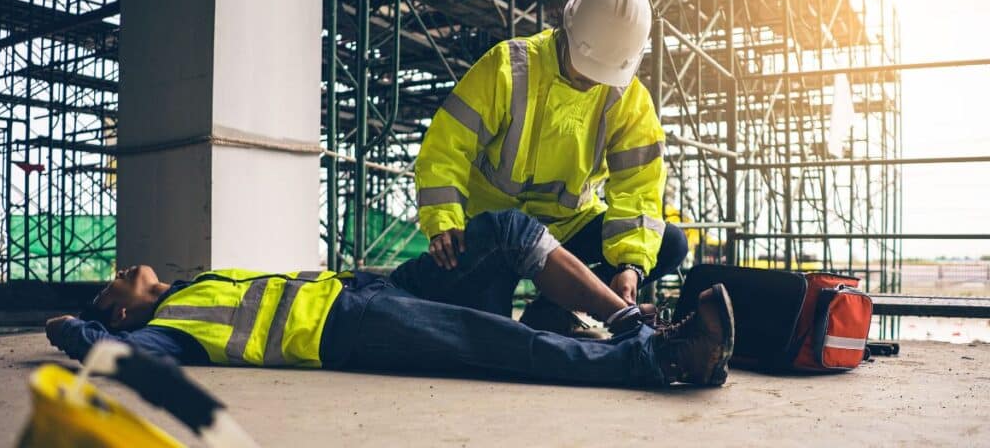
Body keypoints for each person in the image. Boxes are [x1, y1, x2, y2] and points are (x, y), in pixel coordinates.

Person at [46, 210, 734, 388]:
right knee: (494, 344)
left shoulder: (193, 284)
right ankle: (660, 359)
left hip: (363, 290)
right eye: (110, 286)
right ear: (123, 309)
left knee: (501, 233)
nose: (122, 269)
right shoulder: (166, 328)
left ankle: (624, 321)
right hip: (347, 329)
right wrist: (73, 327)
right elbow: (116, 353)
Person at [413, 0, 688, 336]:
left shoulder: (629, 102)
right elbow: (446, 146)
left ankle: (553, 310)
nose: (591, 82)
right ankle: (521, 306)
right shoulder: (509, 67)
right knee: (489, 332)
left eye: (602, 75)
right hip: (497, 233)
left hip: (568, 227)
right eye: (584, 69)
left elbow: (639, 189)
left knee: (671, 243)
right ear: (567, 30)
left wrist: (630, 265)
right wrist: (443, 221)